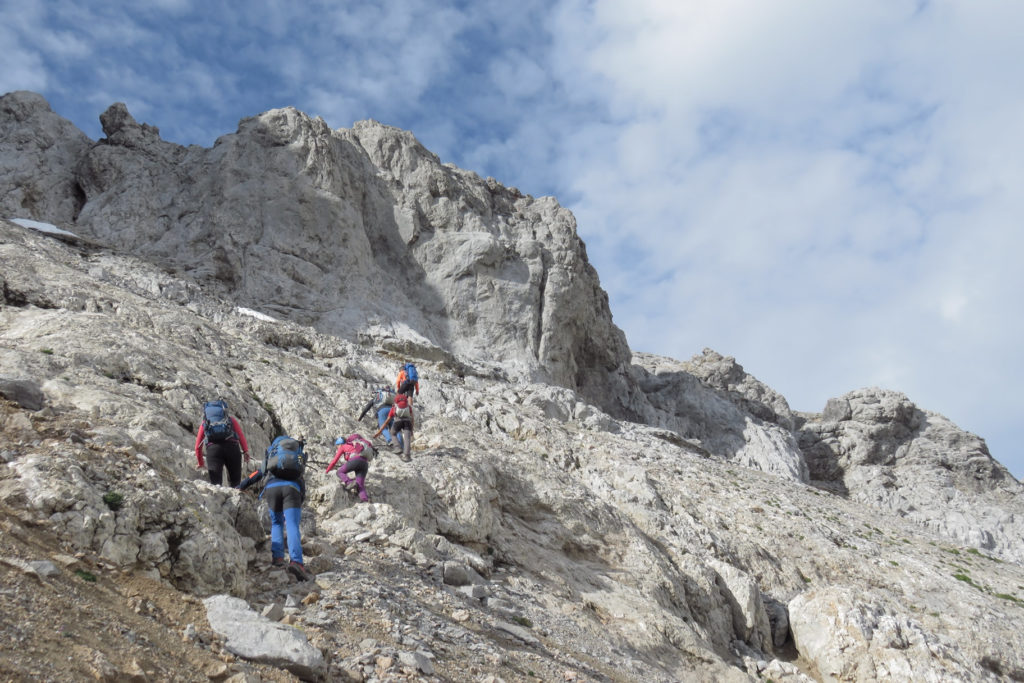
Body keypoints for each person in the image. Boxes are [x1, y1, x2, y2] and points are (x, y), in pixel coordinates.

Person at [237, 435, 314, 581]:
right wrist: (300, 498)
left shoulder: (273, 456)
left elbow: (258, 473)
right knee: (291, 525)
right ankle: (296, 562)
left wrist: (240, 486)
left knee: (276, 523)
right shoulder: (296, 457)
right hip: (292, 488)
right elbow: (301, 479)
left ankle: (278, 559)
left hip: (272, 488)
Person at [194, 399, 250, 487]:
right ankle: (237, 498)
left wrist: (200, 462)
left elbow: (197, 446)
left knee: (216, 484)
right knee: (236, 484)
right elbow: (241, 436)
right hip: (232, 448)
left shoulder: (205, 423)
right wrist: (246, 451)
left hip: (213, 450)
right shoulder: (230, 420)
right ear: (224, 410)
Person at [325, 434, 374, 503]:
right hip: (364, 463)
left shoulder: (343, 446)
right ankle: (365, 499)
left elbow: (334, 461)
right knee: (360, 484)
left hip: (355, 461)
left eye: (337, 446)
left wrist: (326, 471)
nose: (337, 448)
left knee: (339, 472)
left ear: (340, 444)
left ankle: (349, 482)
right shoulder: (354, 445)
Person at [357, 386, 403, 453]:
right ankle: (401, 445)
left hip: (382, 410)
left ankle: (390, 441)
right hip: (392, 410)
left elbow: (366, 409)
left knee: (383, 428)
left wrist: (360, 418)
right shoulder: (390, 396)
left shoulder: (376, 398)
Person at [374, 391, 413, 461]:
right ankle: (407, 456)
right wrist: (412, 429)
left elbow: (387, 421)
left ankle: (397, 447)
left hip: (398, 421)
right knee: (407, 438)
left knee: (392, 433)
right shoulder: (408, 407)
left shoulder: (394, 407)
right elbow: (412, 418)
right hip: (407, 422)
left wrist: (379, 431)